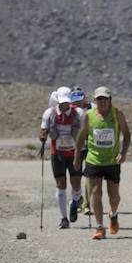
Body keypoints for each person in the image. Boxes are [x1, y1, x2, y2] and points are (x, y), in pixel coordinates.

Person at [73, 86, 130, 240]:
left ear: (110, 100)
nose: (102, 102)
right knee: (96, 192)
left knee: (114, 197)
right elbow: (81, 137)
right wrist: (77, 156)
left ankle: (113, 214)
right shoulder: (88, 115)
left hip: (112, 161)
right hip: (94, 160)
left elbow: (127, 134)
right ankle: (99, 227)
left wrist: (123, 153)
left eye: (105, 99)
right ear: (95, 101)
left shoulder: (117, 114)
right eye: (99, 99)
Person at [39, 90, 84, 229]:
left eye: (66, 102)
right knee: (61, 184)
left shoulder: (79, 113)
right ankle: (64, 218)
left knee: (76, 184)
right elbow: (42, 130)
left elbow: (85, 130)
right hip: (57, 153)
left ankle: (75, 201)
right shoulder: (49, 113)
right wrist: (43, 136)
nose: (64, 104)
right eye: (62, 102)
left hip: (74, 153)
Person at [69, 86, 93, 216]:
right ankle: (78, 198)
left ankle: (87, 203)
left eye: (79, 99)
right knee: (75, 177)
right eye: (74, 100)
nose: (77, 103)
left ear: (84, 98)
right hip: (75, 147)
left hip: (90, 146)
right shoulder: (69, 110)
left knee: (89, 175)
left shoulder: (92, 108)